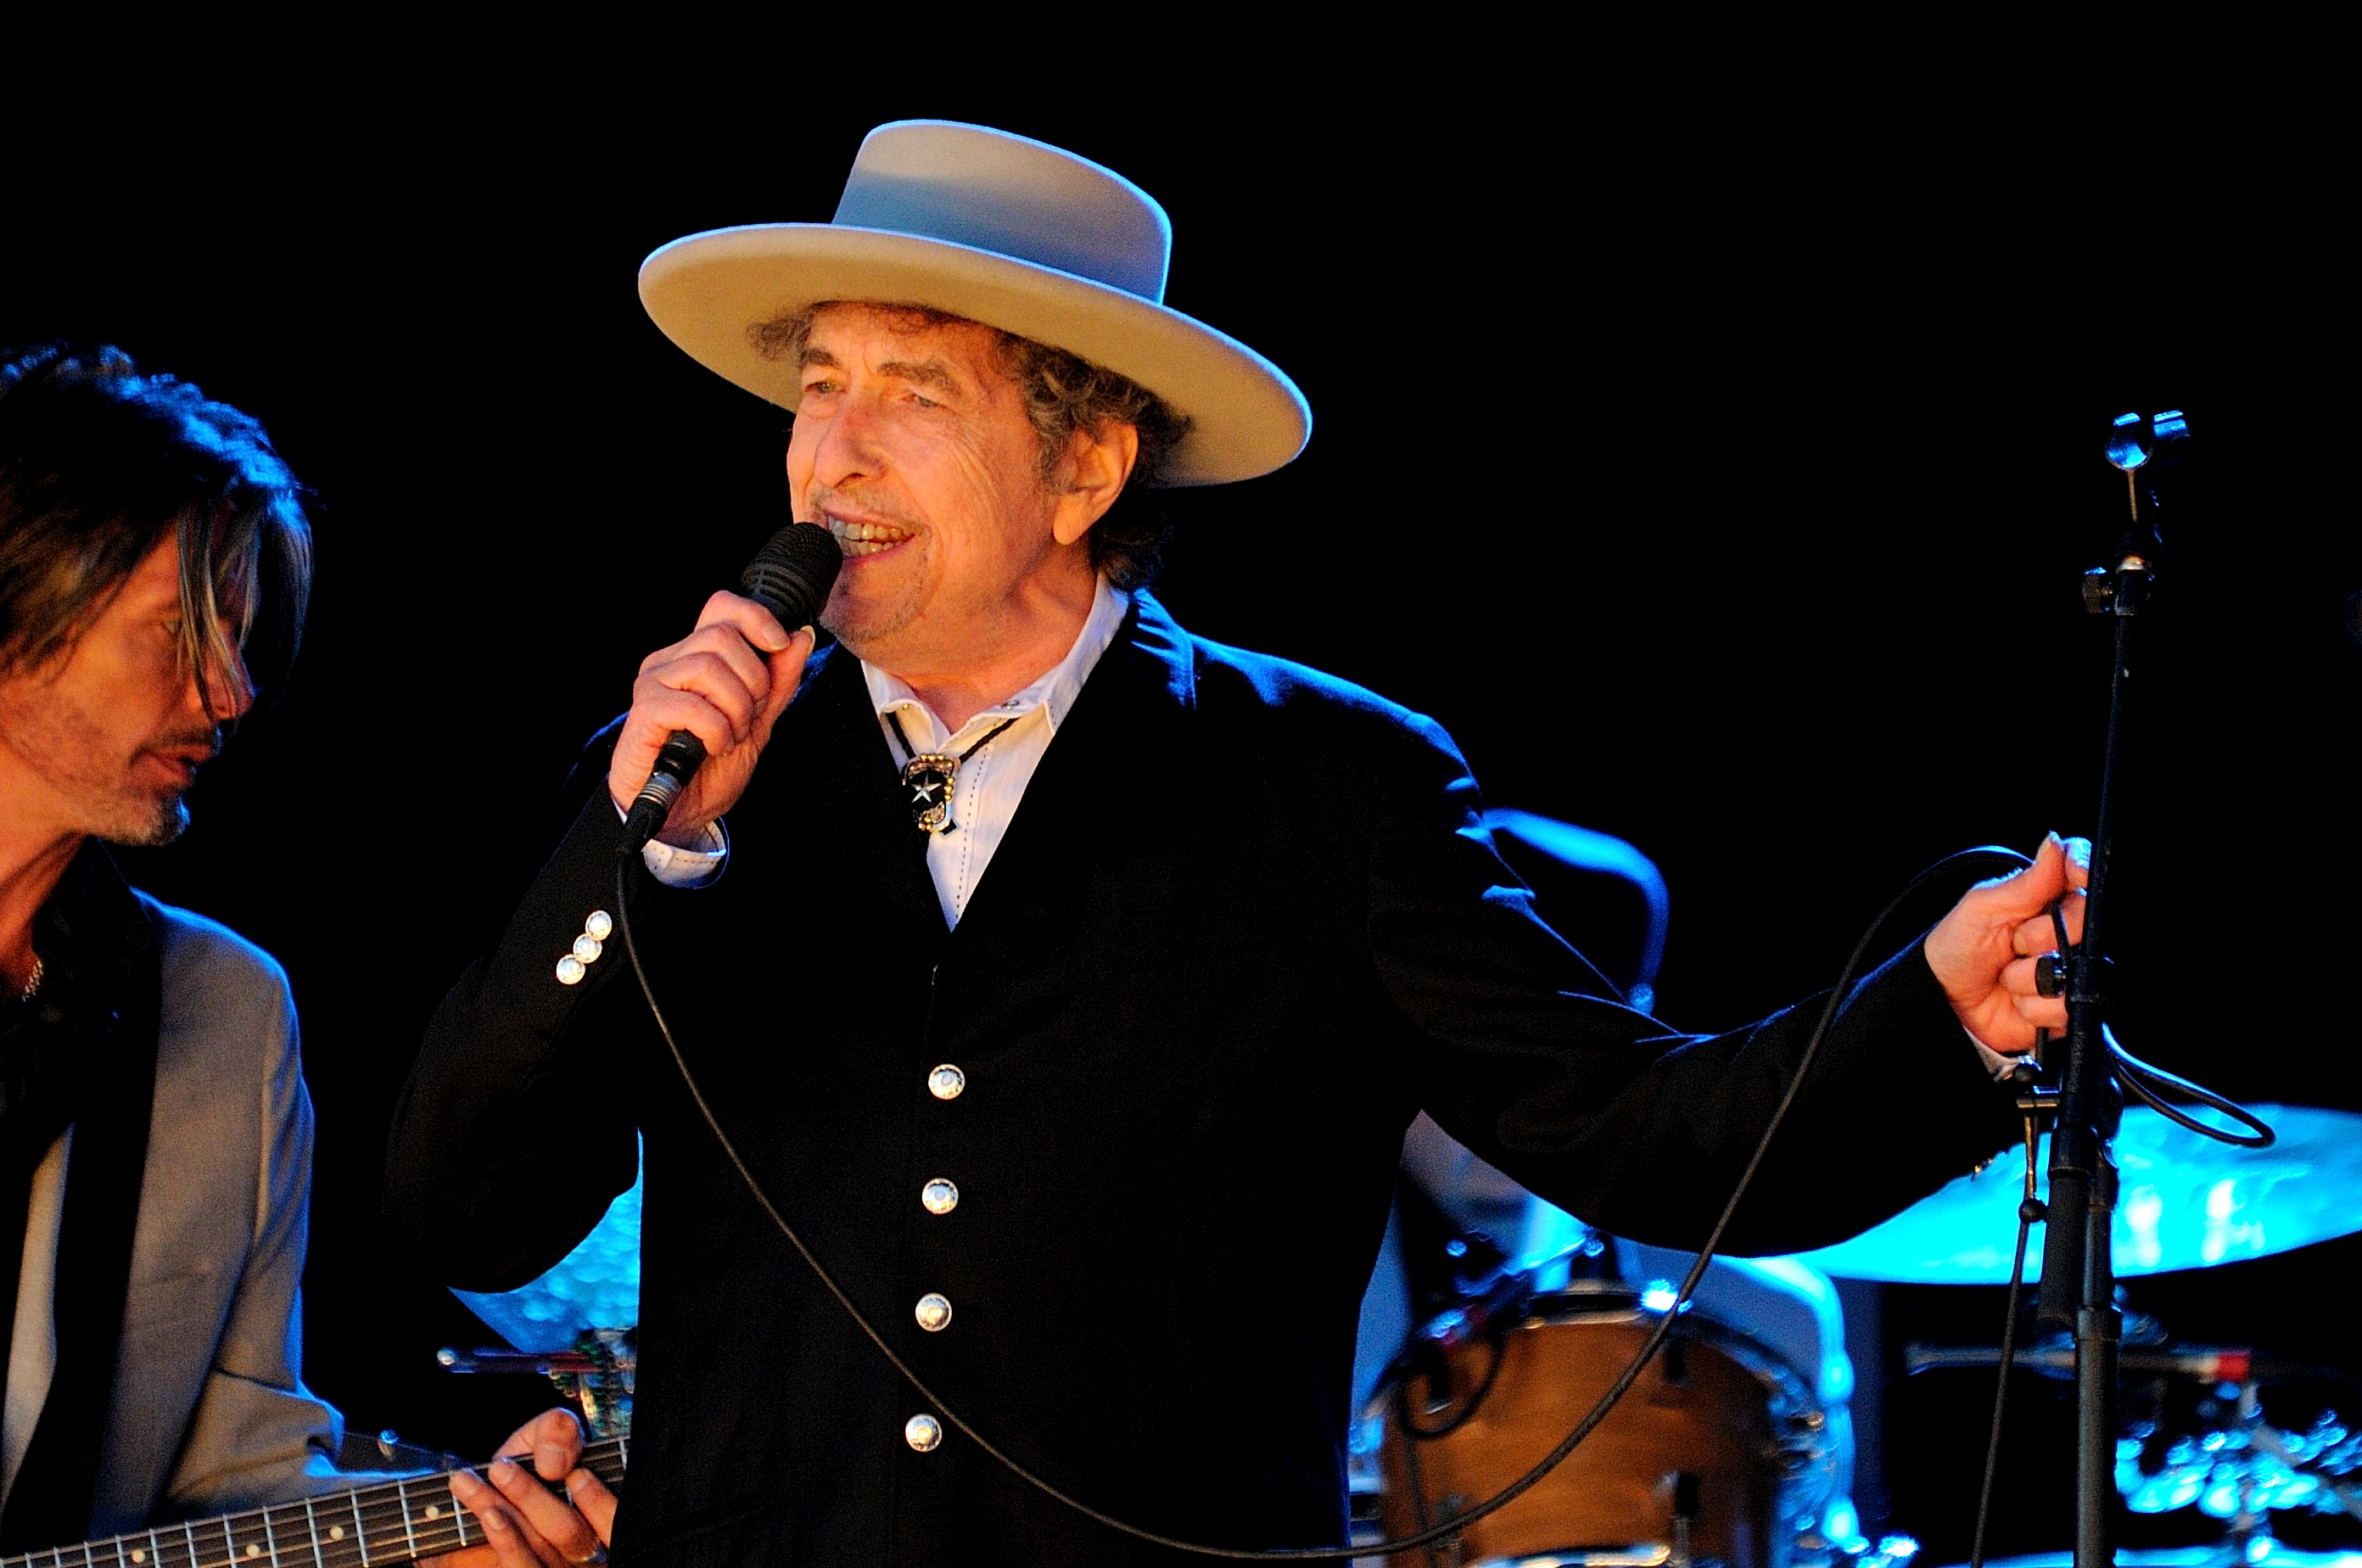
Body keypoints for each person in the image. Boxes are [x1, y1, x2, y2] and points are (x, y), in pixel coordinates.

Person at [386, 121, 2088, 1567]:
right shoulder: (697, 777)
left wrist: (1934, 1020)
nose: (828, 455)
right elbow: (466, 1209)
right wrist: (641, 852)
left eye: (911, 394)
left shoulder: (1327, 787)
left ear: (1086, 464)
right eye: (818, 387)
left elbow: (1641, 1130)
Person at [0, 344, 364, 1548]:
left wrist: (452, 1534)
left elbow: (243, 1493)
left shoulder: (225, 1012)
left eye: (243, 640)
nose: (233, 692)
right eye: (176, 634)